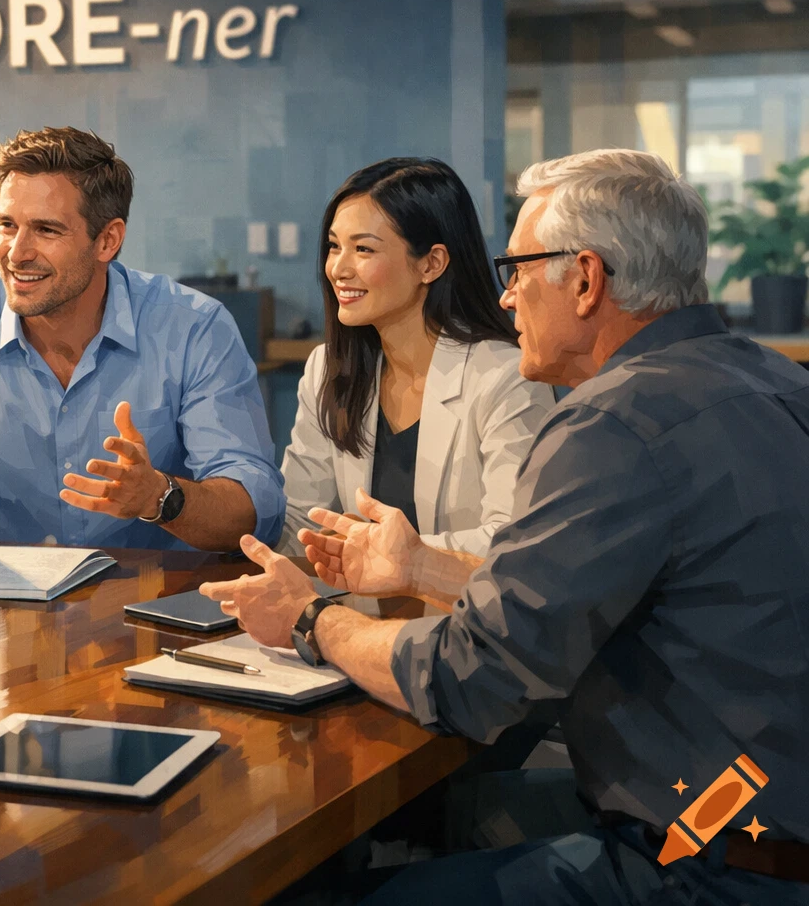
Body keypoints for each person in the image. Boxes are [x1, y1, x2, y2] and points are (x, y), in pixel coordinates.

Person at [202, 149, 809, 903]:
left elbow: (469, 678)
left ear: (585, 280)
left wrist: (310, 620)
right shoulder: (778, 380)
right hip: (755, 824)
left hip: (698, 864)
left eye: (517, 268)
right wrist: (421, 568)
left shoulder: (613, 424)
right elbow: (559, 592)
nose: (508, 296)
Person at [0, 127, 284, 551]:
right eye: (7, 225)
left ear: (108, 241)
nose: (16, 252)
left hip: (147, 601)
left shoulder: (195, 329)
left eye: (46, 229)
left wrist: (159, 497)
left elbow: (255, 513)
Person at [281, 158, 553, 564]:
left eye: (363, 249)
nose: (338, 268)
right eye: (334, 246)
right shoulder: (328, 368)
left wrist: (395, 557)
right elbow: (300, 522)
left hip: (463, 619)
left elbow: (514, 540)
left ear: (432, 264)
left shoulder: (505, 377)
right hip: (358, 614)